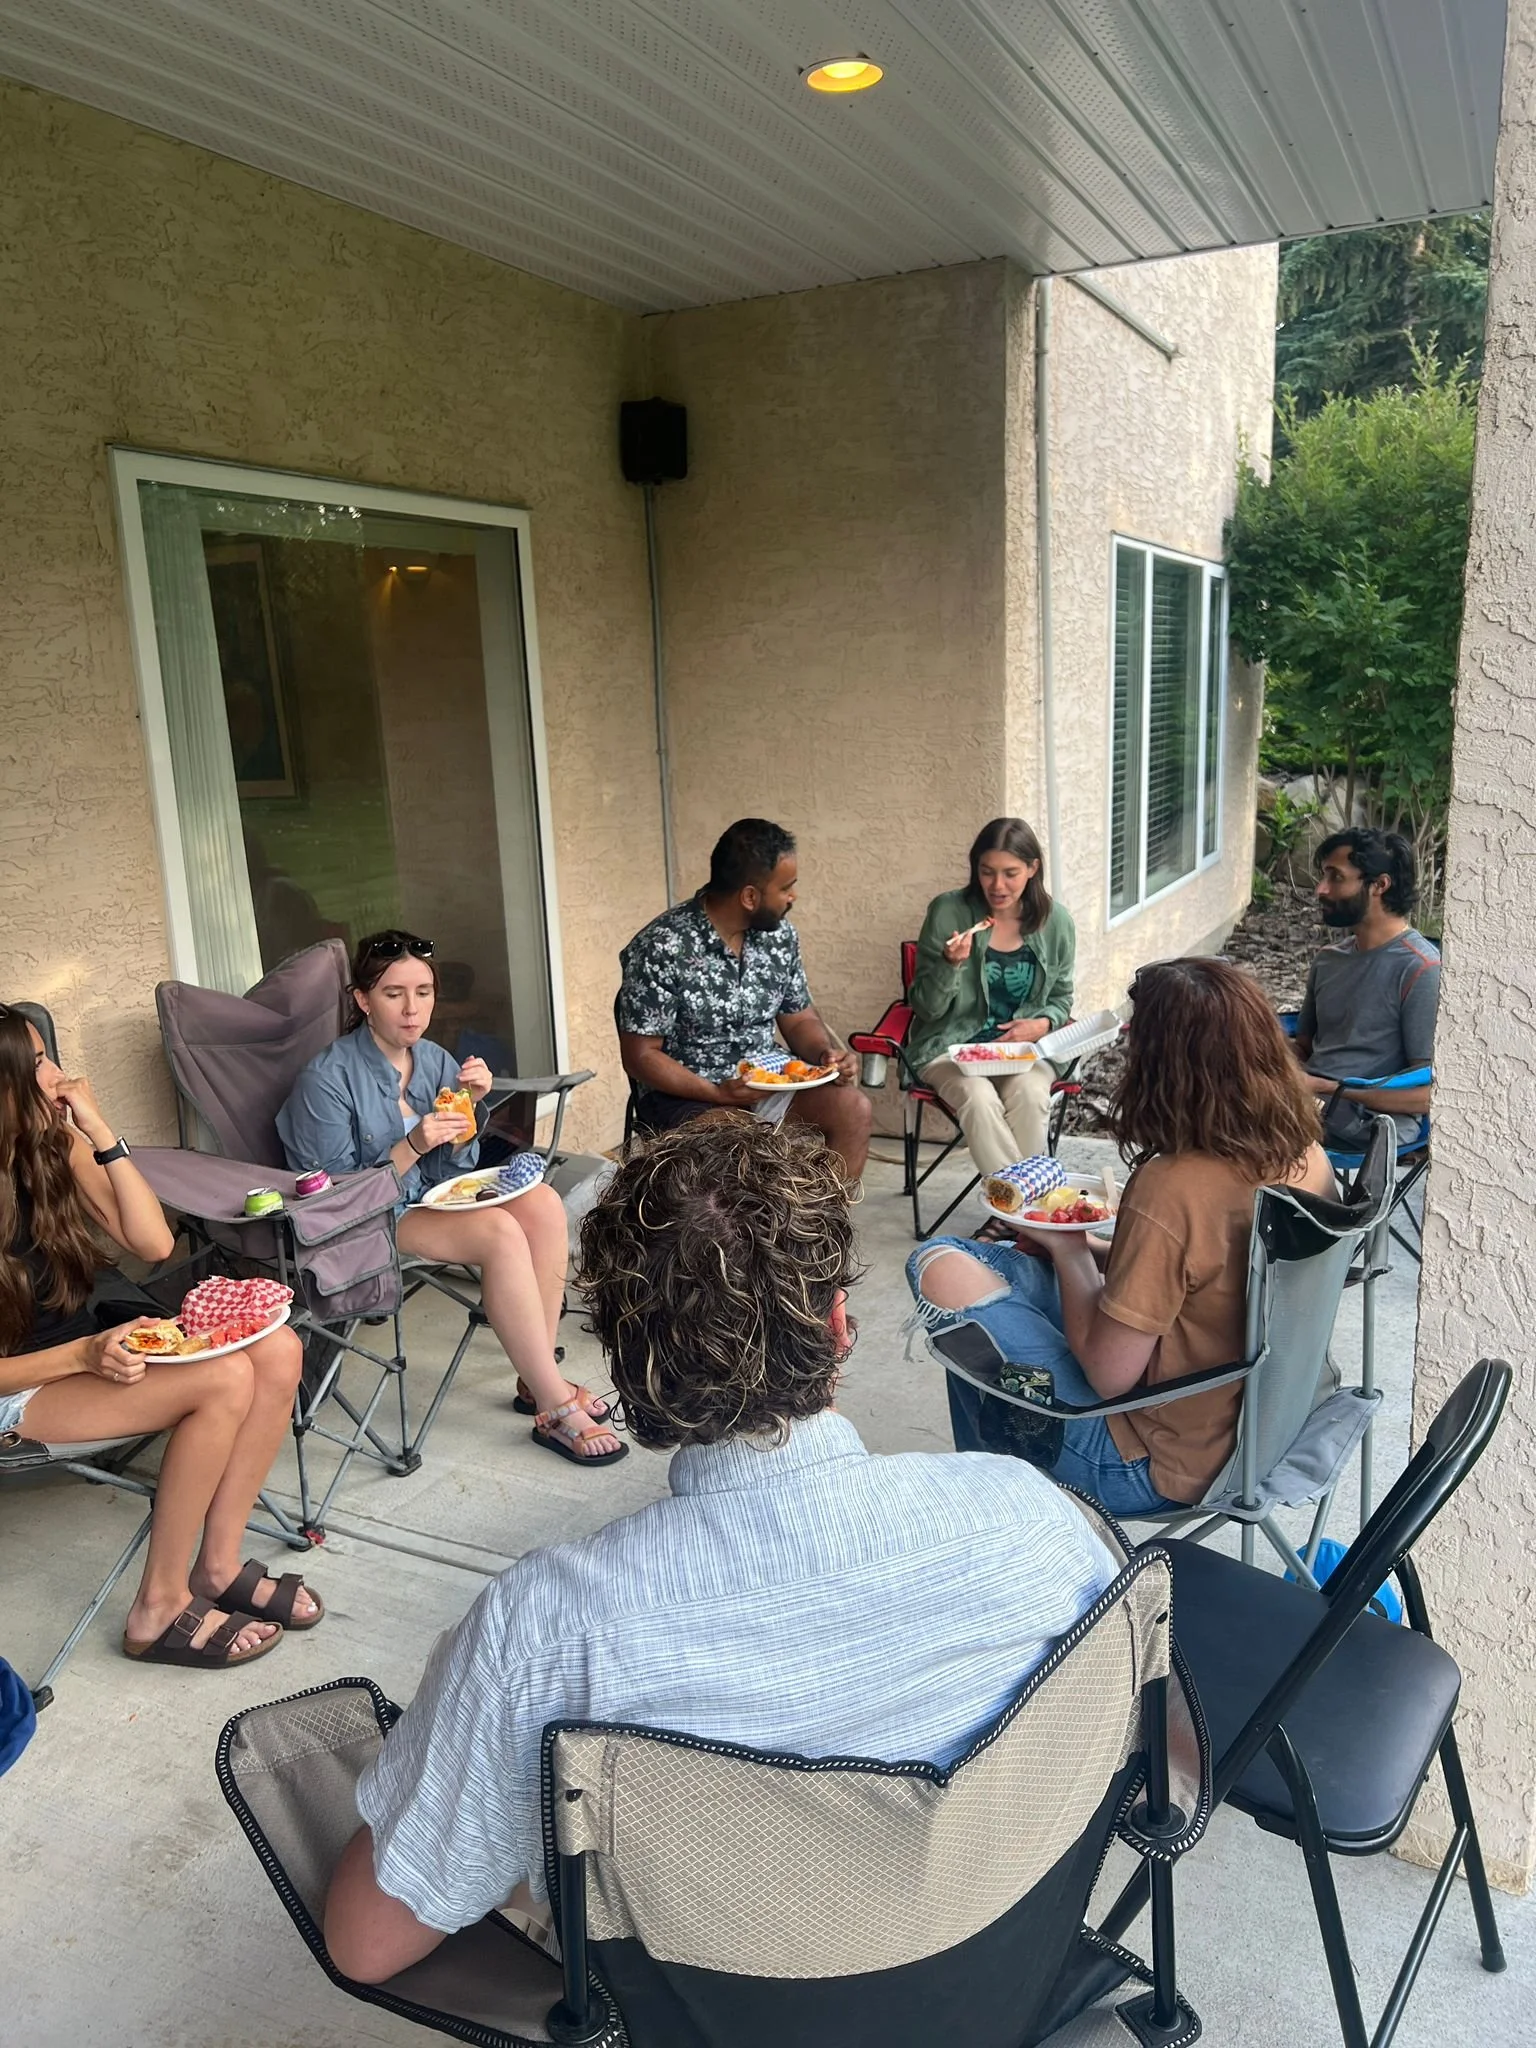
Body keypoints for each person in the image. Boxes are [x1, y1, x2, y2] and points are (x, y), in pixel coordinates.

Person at [322, 1116, 1116, 1982]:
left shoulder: (547, 1633)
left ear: (628, 1365)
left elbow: (367, 1945)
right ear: (837, 1325)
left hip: (722, 2013)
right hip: (988, 1977)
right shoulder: (1032, 1519)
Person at [908, 958, 1336, 1516]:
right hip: (1262, 1427)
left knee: (941, 1270)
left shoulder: (1174, 1185)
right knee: (987, 1268)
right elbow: (1211, 1282)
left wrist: (1066, 1251)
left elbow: (1109, 1376)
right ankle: (992, 1484)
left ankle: (994, 1505)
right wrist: (1092, 1251)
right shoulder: (1308, 1156)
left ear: (1161, 1064)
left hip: (1147, 1463)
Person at [0, 1005, 320, 1667]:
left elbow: (153, 1240)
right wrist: (81, 1355)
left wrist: (100, 1134)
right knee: (224, 1379)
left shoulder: (49, 1147)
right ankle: (158, 1607)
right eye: (38, 1065)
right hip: (17, 1388)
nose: (60, 1074)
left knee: (279, 1349)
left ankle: (217, 1565)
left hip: (84, 1351)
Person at [277, 932, 625, 1468]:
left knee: (543, 1206)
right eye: (394, 994)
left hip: (425, 1202)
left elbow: (455, 1170)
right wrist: (413, 1142)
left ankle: (537, 1381)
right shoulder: (326, 1079)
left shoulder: (435, 1060)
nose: (413, 1008)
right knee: (500, 1233)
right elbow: (333, 1197)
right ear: (363, 1000)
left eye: (424, 991)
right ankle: (556, 1403)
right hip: (364, 1218)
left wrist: (472, 1111)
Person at [616, 818, 872, 1178]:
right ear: (750, 896)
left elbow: (799, 1018)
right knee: (744, 1143)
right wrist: (717, 1093)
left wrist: (824, 1054)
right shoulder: (662, 946)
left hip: (767, 1080)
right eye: (786, 888)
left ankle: (824, 1228)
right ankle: (751, 1234)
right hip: (690, 1096)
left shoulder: (780, 937)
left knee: (853, 1109)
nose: (793, 897)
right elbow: (641, 1056)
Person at [908, 819, 1076, 1173]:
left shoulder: (1056, 921)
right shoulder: (948, 911)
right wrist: (948, 966)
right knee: (978, 1097)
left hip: (1024, 1053)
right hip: (950, 1049)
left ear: (1033, 868)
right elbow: (925, 1007)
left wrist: (1042, 1024)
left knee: (1031, 1094)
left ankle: (1023, 1211)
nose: (997, 885)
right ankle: (1018, 1206)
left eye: (1010, 873)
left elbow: (1061, 998)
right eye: (987, 872)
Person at [1294, 828, 1439, 1148]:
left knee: (1237, 1132)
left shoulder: (1421, 969)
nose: (1320, 889)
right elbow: (1303, 1047)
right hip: (1305, 1101)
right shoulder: (1328, 960)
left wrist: (1333, 1089)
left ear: (1380, 885)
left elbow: (1431, 1094)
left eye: (1336, 877)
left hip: (1367, 1119)